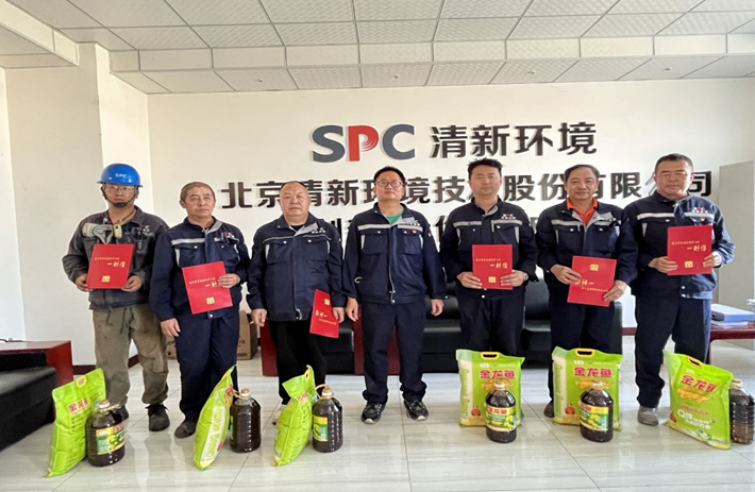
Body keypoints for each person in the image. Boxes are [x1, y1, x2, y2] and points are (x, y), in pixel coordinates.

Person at [624, 153, 734, 426]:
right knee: (649, 350)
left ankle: (689, 404)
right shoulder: (638, 210)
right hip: (655, 293)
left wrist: (719, 256)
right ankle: (648, 402)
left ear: (691, 177)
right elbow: (626, 251)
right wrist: (651, 261)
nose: (673, 179)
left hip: (696, 293)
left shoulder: (708, 209)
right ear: (655, 177)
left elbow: (726, 245)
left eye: (680, 173)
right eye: (666, 173)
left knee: (694, 351)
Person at [62, 163, 170, 431]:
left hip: (144, 305)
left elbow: (166, 263)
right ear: (103, 190)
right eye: (113, 187)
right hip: (105, 306)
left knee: (154, 358)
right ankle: (114, 405)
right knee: (109, 362)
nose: (119, 192)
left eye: (125, 187)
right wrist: (79, 275)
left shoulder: (153, 226)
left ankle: (156, 405)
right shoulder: (89, 226)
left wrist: (142, 277)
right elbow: (73, 256)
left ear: (135, 191)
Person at [343, 166, 445, 424]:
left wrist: (437, 293)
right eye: (383, 182)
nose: (389, 186)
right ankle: (375, 399)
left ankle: (413, 397)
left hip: (411, 298)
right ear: (374, 189)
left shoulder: (417, 221)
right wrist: (351, 295)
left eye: (395, 183)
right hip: (374, 298)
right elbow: (351, 261)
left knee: (412, 350)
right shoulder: (361, 221)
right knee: (374, 350)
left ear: (403, 189)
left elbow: (430, 259)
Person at [535, 164, 638, 418]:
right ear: (565, 184)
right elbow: (541, 252)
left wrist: (622, 281)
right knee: (563, 345)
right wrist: (555, 268)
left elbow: (628, 252)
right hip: (565, 292)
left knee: (600, 345)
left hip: (602, 292)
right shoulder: (551, 215)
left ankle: (598, 396)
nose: (582, 186)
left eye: (588, 181)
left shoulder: (616, 215)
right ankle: (559, 397)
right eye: (575, 181)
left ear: (597, 184)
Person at [150, 181, 249, 438]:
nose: (201, 202)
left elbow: (247, 266)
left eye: (206, 197)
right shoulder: (171, 237)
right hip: (189, 314)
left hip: (225, 312)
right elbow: (160, 279)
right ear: (183, 203)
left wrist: (237, 277)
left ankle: (227, 412)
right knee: (193, 365)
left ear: (214, 201)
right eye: (194, 198)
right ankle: (193, 416)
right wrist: (165, 315)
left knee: (225, 364)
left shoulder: (231, 233)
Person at [247, 181, 345, 415]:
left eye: (300, 196)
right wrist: (257, 304)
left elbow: (337, 269)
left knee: (317, 358)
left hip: (317, 308)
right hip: (280, 307)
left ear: (309, 200)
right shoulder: (266, 233)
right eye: (287, 196)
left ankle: (318, 402)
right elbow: (256, 272)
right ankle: (290, 404)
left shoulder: (326, 231)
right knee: (287, 360)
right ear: (280, 202)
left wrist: (339, 301)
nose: (294, 201)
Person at [439, 158, 537, 356]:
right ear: (469, 182)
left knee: (508, 349)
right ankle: (476, 379)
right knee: (474, 350)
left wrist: (523, 274)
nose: (486, 181)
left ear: (501, 180)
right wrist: (459, 274)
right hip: (472, 295)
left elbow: (531, 250)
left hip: (509, 295)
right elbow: (447, 252)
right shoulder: (458, 216)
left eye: (491, 176)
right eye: (479, 176)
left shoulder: (516, 213)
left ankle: (505, 379)